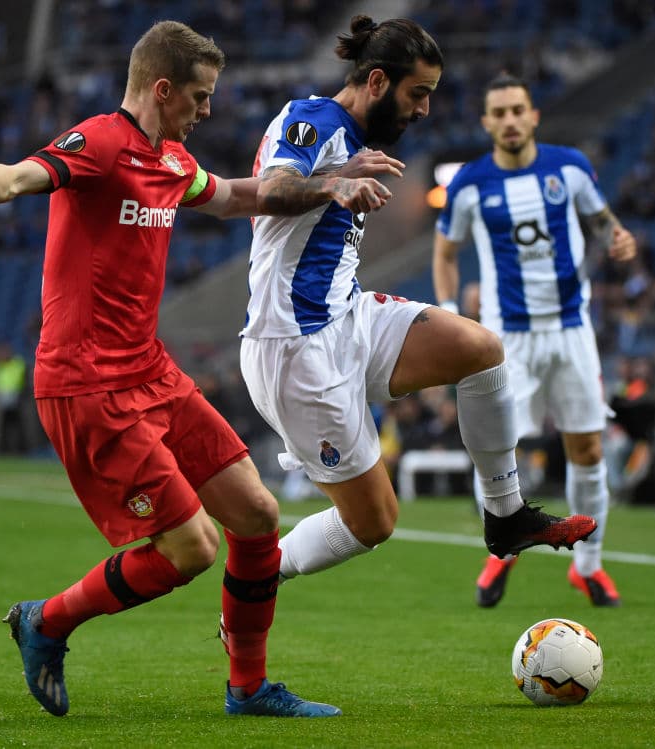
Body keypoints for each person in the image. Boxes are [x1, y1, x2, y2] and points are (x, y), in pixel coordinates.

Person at [0, 20, 396, 719]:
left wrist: (332, 181)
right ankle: (46, 621)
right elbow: (21, 175)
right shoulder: (102, 142)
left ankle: (248, 688)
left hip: (148, 372)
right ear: (162, 89)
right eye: (199, 96)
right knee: (192, 546)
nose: (208, 110)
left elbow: (238, 196)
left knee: (257, 514)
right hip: (86, 384)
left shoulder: (169, 163)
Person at [239, 17, 596, 593]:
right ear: (377, 81)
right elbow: (272, 189)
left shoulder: (353, 138)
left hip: (347, 317)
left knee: (479, 349)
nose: (425, 110)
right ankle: (254, 579)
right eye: (418, 94)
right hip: (293, 346)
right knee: (373, 523)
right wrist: (334, 184)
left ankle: (505, 518)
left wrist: (340, 180)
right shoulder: (312, 122)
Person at [432, 73, 637, 609]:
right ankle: (501, 552)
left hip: (571, 329)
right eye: (498, 113)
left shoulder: (568, 167)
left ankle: (587, 567)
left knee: (587, 448)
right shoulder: (469, 185)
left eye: (517, 110)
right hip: (509, 341)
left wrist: (616, 234)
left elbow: (599, 217)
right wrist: (452, 316)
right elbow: (446, 253)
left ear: (533, 115)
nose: (509, 121)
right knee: (498, 453)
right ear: (486, 122)